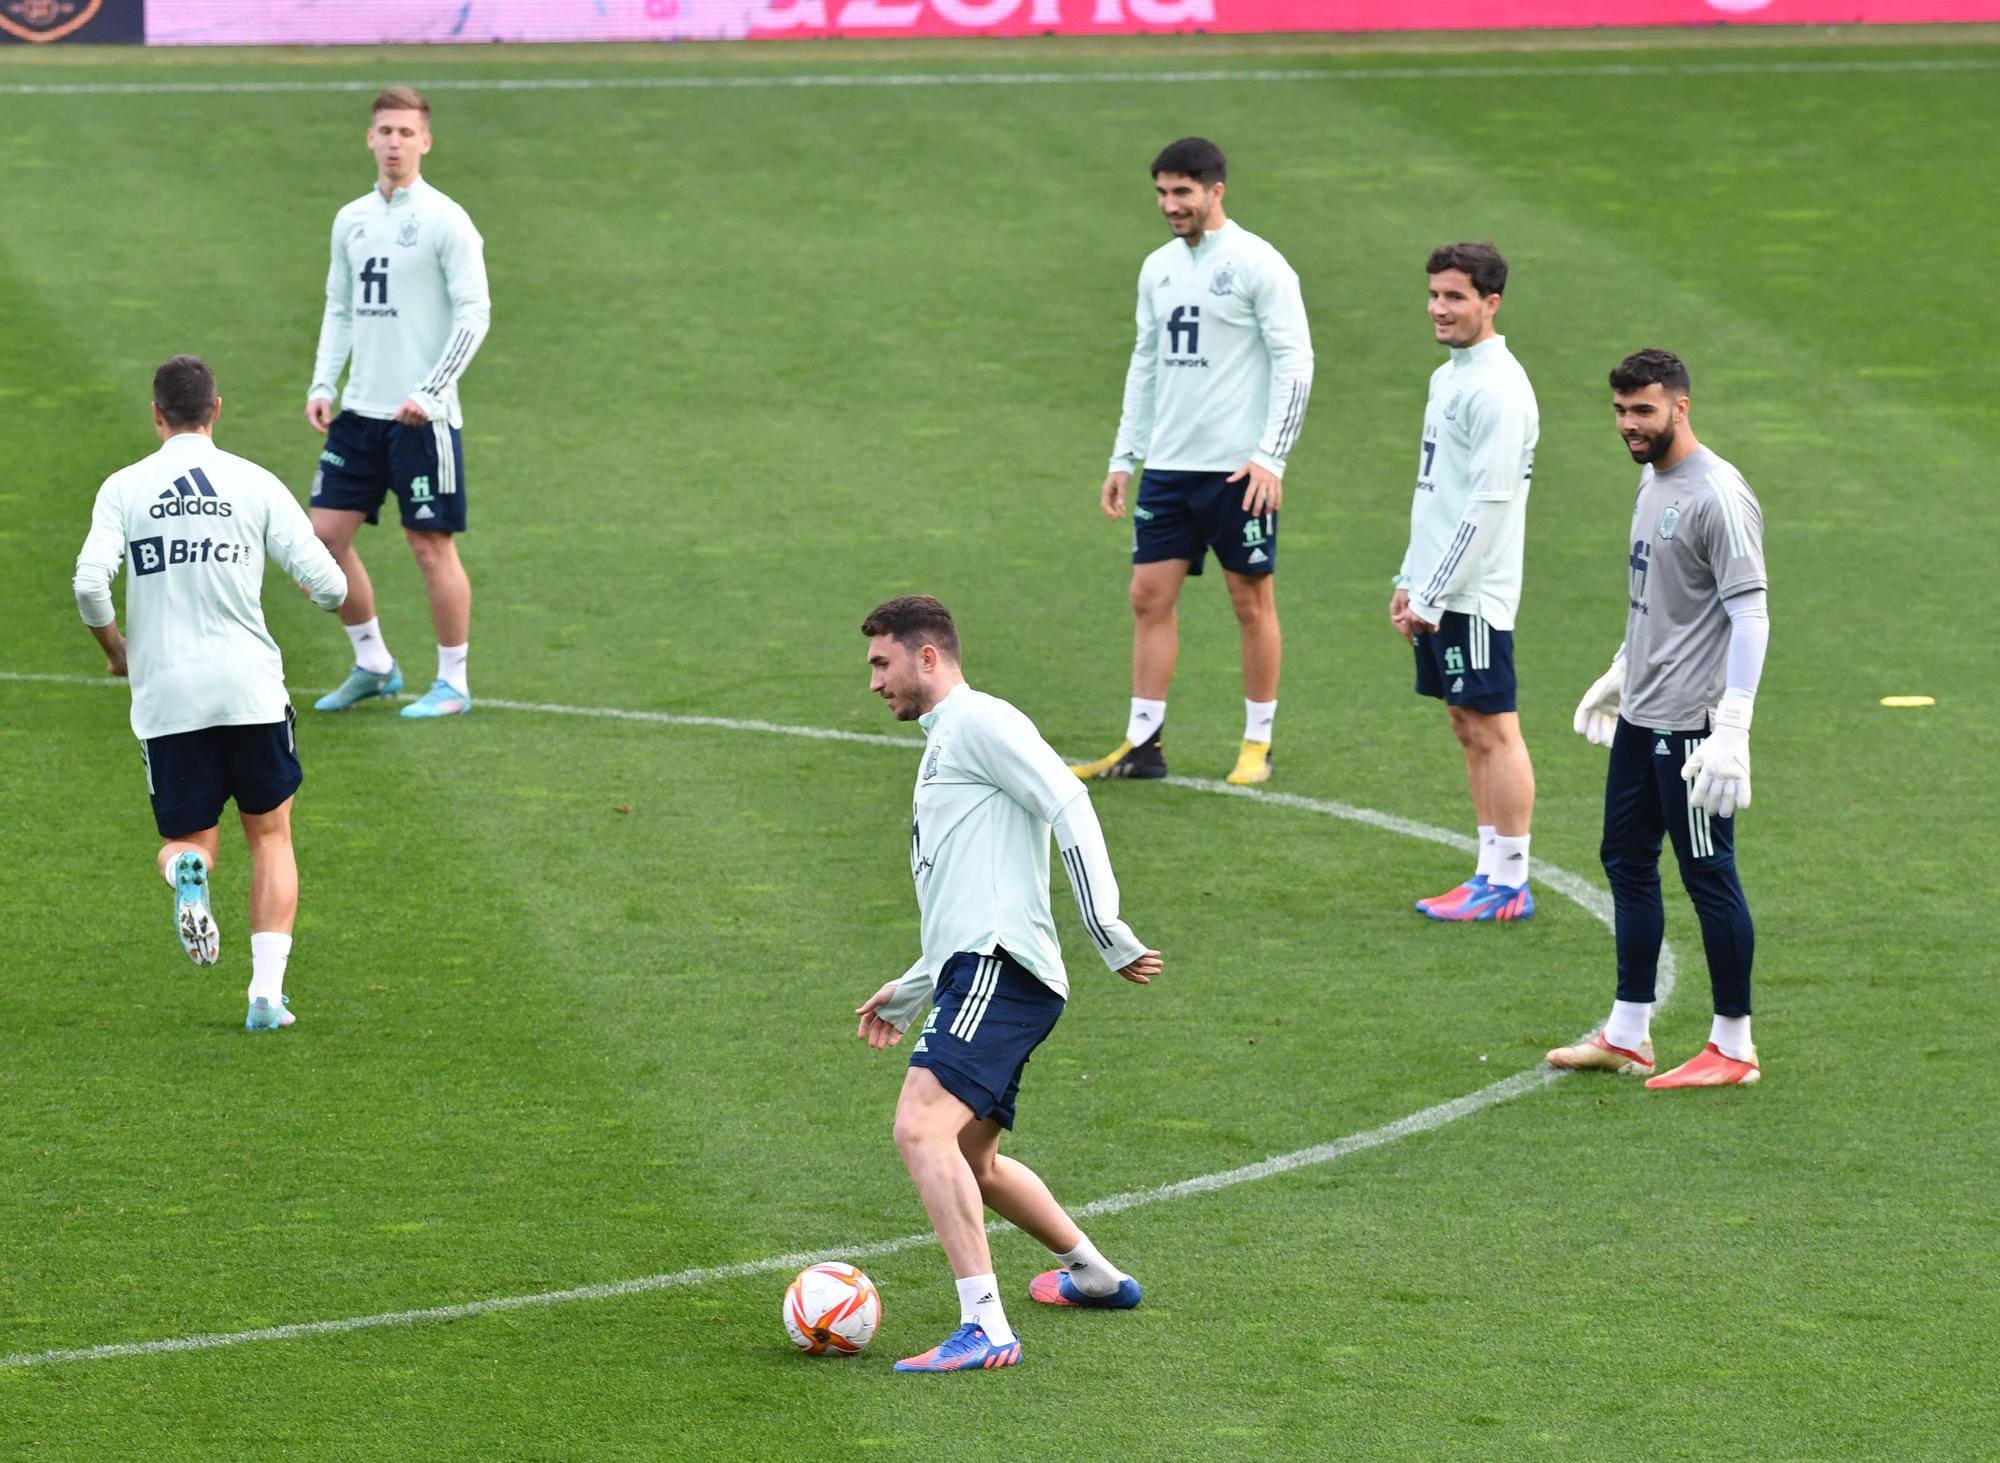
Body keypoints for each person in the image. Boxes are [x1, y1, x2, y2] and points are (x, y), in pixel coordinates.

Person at [854, 595, 1162, 1372]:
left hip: (1000, 970)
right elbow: (965, 891)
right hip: (979, 968)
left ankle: (986, 1323)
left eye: (881, 663)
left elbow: (1069, 799)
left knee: (920, 1128)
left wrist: (1106, 926)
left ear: (928, 657)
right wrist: (914, 986)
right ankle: (1094, 1272)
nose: (873, 682)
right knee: (973, 1158)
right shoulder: (944, 743)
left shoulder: (979, 720)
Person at [73, 355, 349, 1031]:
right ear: (216, 409)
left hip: (168, 695)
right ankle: (264, 993)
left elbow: (87, 584)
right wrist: (319, 592)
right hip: (249, 688)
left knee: (190, 841)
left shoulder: (125, 487)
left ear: (157, 414)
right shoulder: (251, 482)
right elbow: (333, 585)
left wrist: (118, 653)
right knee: (271, 837)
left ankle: (187, 874)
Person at [1548, 349, 1769, 1088]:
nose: (1628, 426)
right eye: (1619, 411)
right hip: (1645, 712)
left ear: (1681, 405)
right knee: (1626, 857)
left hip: (1693, 727)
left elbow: (1750, 613)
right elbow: (1665, 596)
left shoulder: (1718, 495)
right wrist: (1623, 665)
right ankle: (1628, 1031)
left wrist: (1732, 726)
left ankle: (1733, 1046)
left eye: (1642, 410)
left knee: (1708, 871)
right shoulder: (1652, 480)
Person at [1075, 137, 1314, 787]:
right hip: (1172, 469)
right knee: (1148, 595)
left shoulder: (1260, 264)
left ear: (1216, 191)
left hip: (1239, 471)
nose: (1170, 205)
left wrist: (1271, 457)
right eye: (1161, 193)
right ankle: (1143, 744)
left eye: (1182, 192)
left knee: (1250, 600)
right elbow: (1145, 363)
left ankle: (1257, 744)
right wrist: (1125, 455)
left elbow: (1296, 363)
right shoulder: (1157, 268)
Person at [306, 85, 490, 719]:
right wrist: (324, 384)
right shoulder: (351, 218)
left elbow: (475, 315)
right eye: (385, 130)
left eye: (406, 133)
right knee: (321, 540)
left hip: (421, 417)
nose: (394, 142)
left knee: (429, 545)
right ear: (369, 137)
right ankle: (374, 664)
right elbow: (340, 306)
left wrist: (430, 390)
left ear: (426, 142)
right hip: (358, 413)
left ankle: (454, 682)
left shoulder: (447, 219)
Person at [1391, 243, 1541, 923]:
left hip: (1473, 592)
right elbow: (1437, 491)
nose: (1438, 309)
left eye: (1454, 296)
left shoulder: (1498, 389)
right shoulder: (1447, 377)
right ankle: (1487, 869)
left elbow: (1487, 505)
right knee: (1465, 723)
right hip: (1439, 582)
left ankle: (1510, 880)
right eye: (1433, 295)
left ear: (1491, 302)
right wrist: (1408, 575)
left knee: (1493, 725)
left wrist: (1434, 592)